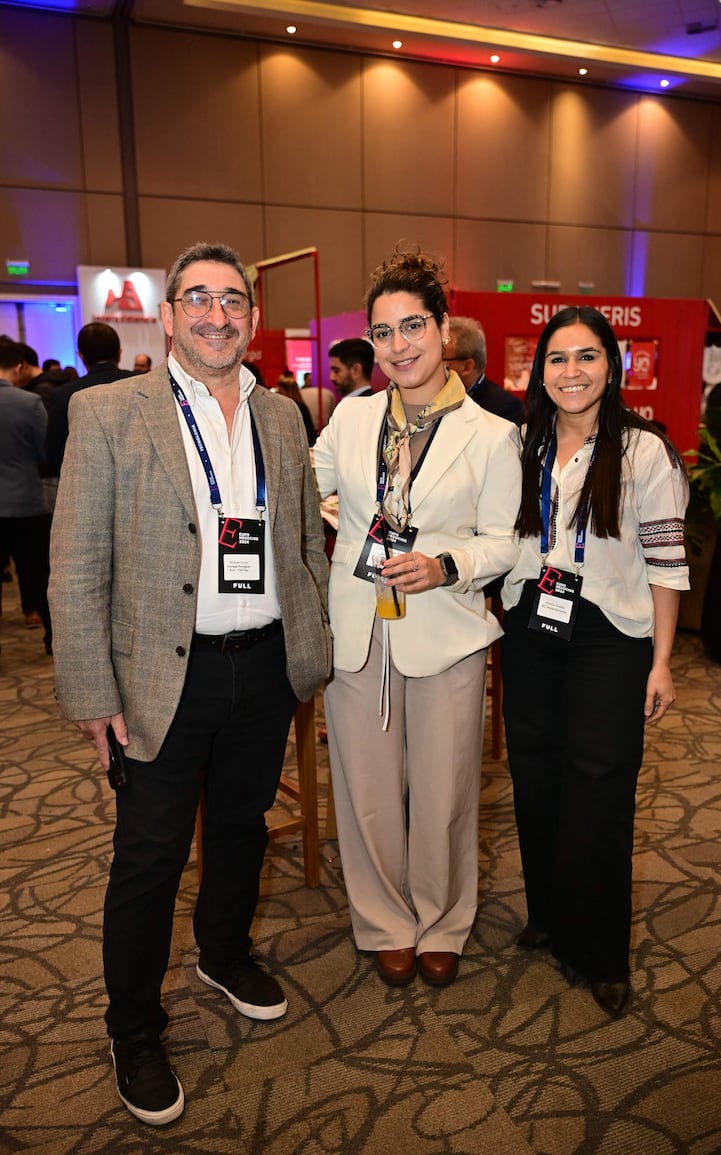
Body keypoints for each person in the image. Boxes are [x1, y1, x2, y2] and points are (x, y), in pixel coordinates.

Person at [48, 241, 331, 1126]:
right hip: (158, 681)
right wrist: (93, 693)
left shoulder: (283, 415)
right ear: (167, 315)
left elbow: (301, 542)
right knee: (150, 856)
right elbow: (74, 566)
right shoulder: (107, 413)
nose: (218, 314)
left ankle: (222, 950)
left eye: (234, 300)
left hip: (263, 666)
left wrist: (308, 647)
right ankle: (133, 1026)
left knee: (243, 826)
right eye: (198, 299)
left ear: (252, 315)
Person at [313, 246, 520, 990]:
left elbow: (504, 540)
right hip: (359, 627)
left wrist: (446, 565)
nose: (398, 346)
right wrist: (330, 507)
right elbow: (312, 484)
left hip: (447, 628)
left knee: (444, 790)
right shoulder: (352, 416)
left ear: (442, 329)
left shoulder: (492, 433)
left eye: (412, 327)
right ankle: (383, 919)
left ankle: (442, 919)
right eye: (383, 332)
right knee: (364, 789)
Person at [500, 305, 689, 1019]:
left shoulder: (645, 451)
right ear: (538, 369)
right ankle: (548, 912)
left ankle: (603, 950)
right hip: (532, 624)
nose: (570, 371)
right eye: (556, 358)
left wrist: (662, 660)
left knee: (601, 786)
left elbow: (668, 567)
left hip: (611, 636)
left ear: (611, 366)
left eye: (586, 357)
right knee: (536, 772)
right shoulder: (523, 443)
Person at [0, 341, 53, 655]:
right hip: (27, 501)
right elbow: (44, 449)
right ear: (19, 367)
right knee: (37, 571)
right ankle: (50, 638)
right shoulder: (29, 402)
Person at [46, 322, 135, 475]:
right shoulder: (143, 384)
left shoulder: (64, 394)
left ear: (81, 356)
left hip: (85, 478)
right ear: (119, 353)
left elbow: (55, 451)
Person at [443, 316, 523, 423]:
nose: (431, 365)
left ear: (467, 367)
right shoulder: (429, 400)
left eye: (440, 358)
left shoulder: (505, 410)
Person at [272, 371, 317, 445]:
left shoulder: (290, 407)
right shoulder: (301, 406)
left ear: (286, 392)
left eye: (280, 392)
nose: (277, 395)